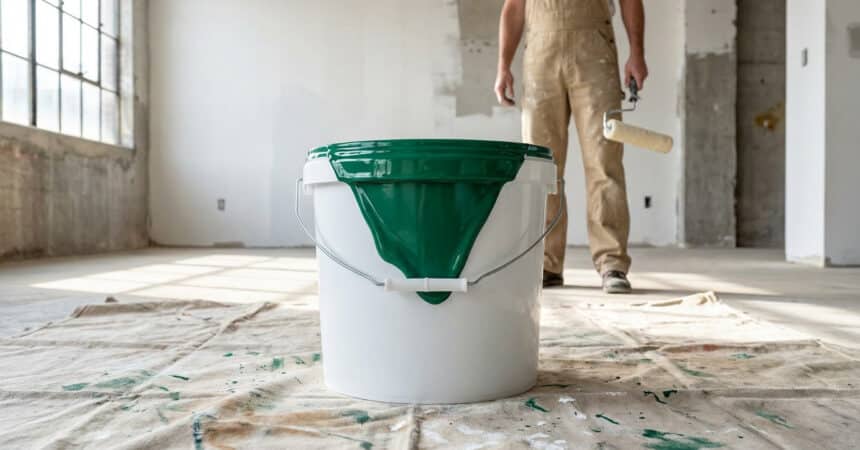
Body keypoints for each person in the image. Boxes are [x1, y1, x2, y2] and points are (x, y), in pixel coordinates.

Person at [494, 0, 647, 293]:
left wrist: (636, 54)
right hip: (540, 52)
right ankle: (546, 263)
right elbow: (514, 7)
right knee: (541, 167)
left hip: (595, 50)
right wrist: (503, 65)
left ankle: (612, 262)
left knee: (605, 160)